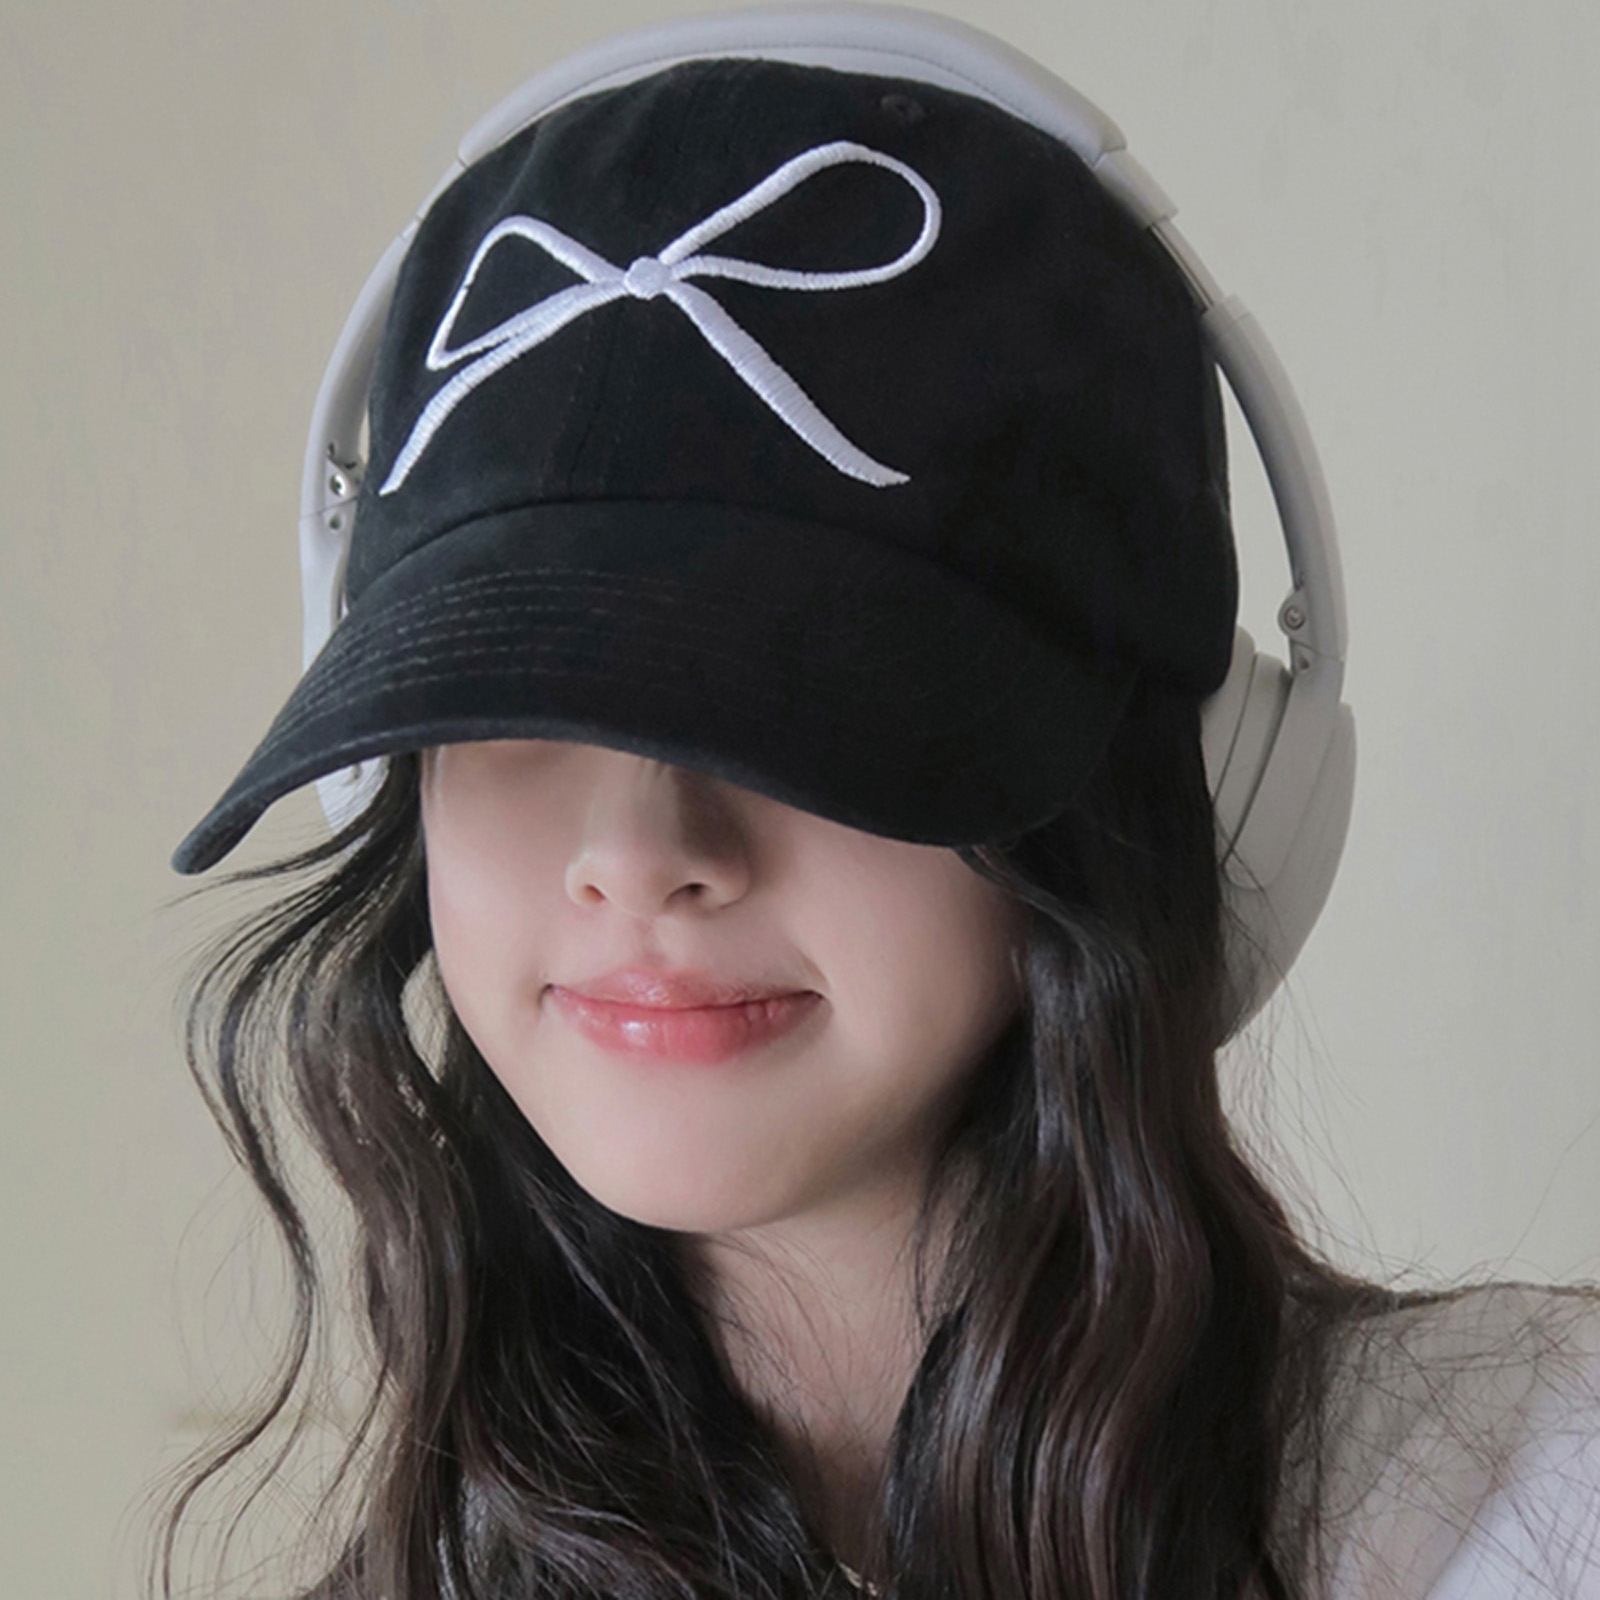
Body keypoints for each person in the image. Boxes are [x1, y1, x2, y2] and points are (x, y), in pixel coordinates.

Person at [153, 7, 1600, 1599]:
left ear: (1155, 790)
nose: (640, 856)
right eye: (510, 702)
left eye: (800, 700)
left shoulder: (1540, 1499)